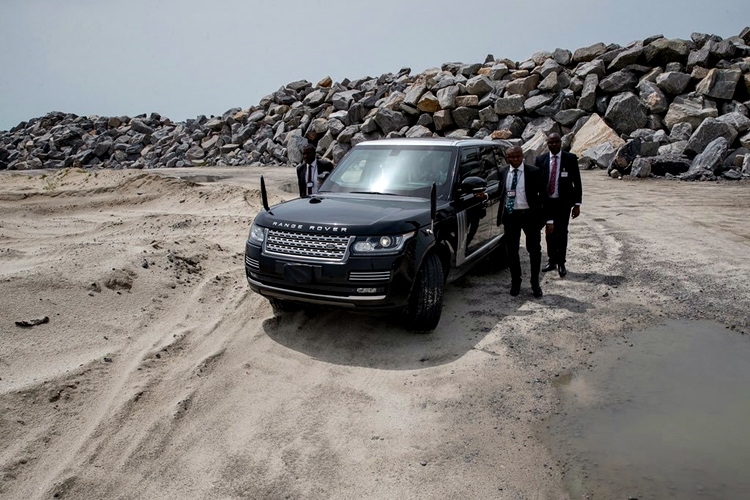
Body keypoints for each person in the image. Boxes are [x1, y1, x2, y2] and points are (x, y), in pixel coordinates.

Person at [496, 146, 550, 298]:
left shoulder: (533, 171)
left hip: (530, 216)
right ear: (507, 158)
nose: (515, 160)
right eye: (511, 157)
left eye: (517, 156)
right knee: (512, 251)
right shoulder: (502, 172)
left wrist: (548, 219)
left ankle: (535, 283)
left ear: (522, 156)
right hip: (511, 216)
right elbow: (498, 192)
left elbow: (544, 196)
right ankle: (516, 282)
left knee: (534, 250)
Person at [534, 133, 582, 278]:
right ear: (547, 144)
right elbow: (536, 183)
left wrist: (577, 204)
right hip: (546, 202)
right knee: (549, 232)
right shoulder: (541, 160)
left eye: (556, 142)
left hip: (563, 203)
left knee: (561, 232)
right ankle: (552, 260)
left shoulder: (570, 158)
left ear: (561, 143)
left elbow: (577, 182)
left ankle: (561, 262)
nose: (553, 145)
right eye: (550, 142)